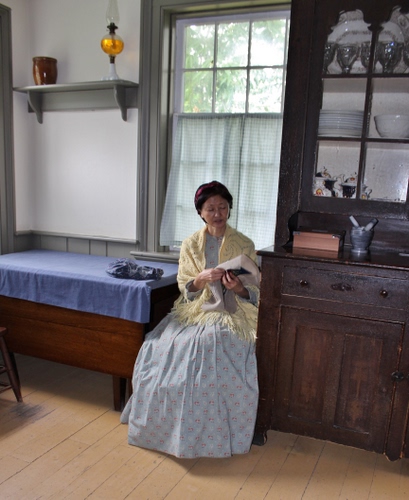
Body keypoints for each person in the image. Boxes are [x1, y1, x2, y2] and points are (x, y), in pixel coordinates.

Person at [120, 181, 260, 458]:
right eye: (211, 209)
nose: (218, 214)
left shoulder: (244, 244)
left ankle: (211, 435)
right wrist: (200, 279)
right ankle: (166, 430)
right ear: (200, 212)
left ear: (229, 209)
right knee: (158, 344)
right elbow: (186, 289)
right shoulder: (190, 244)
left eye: (223, 207)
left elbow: (254, 291)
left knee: (211, 342)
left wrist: (238, 288)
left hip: (233, 311)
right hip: (196, 309)